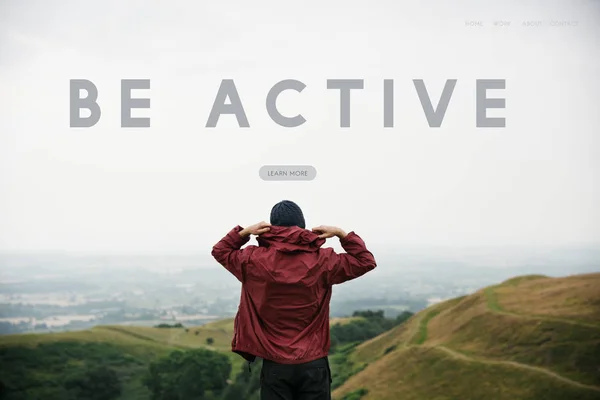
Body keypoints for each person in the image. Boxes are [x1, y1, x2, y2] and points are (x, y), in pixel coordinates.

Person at [211, 200, 377, 400]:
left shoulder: (252, 260)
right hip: (314, 363)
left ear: (269, 228)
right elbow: (365, 261)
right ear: (303, 225)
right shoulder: (323, 260)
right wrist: (341, 234)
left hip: (275, 364)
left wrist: (244, 232)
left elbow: (220, 251)